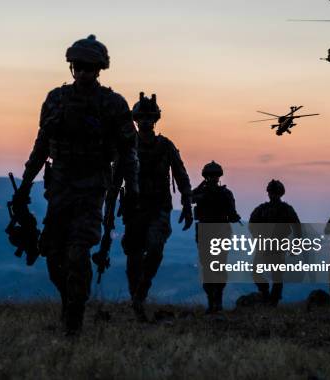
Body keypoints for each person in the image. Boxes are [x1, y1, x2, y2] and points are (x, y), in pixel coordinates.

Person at [12, 35, 139, 335]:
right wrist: (25, 184)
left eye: (89, 67)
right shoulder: (55, 99)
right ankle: (69, 302)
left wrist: (131, 192)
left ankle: (74, 318)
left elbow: (128, 151)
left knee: (78, 250)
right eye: (78, 66)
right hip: (60, 187)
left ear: (99, 69)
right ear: (72, 67)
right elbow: (42, 143)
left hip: (93, 186)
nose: (82, 72)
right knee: (53, 254)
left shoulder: (112, 103)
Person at [111, 92, 192, 321]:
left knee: (155, 248)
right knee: (134, 254)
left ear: (155, 119)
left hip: (159, 207)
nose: (146, 121)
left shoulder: (165, 146)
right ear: (136, 120)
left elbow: (180, 174)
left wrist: (187, 203)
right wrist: (109, 205)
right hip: (134, 208)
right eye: (142, 117)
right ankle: (136, 300)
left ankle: (142, 290)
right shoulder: (127, 145)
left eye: (150, 117)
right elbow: (116, 176)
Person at [192, 161, 241, 313]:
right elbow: (189, 199)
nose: (213, 178)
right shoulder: (222, 193)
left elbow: (232, 215)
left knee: (212, 267)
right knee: (214, 267)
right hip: (213, 232)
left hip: (213, 232)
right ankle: (214, 302)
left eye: (214, 176)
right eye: (211, 176)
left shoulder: (220, 193)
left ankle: (214, 302)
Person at [249, 180, 301, 306]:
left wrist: (296, 246)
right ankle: (266, 294)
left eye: (275, 193)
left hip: (278, 246)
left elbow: (297, 228)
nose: (273, 195)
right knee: (256, 272)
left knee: (276, 275)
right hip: (264, 245)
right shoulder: (262, 209)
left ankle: (273, 301)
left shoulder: (286, 209)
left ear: (280, 193)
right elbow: (252, 225)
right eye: (271, 192)